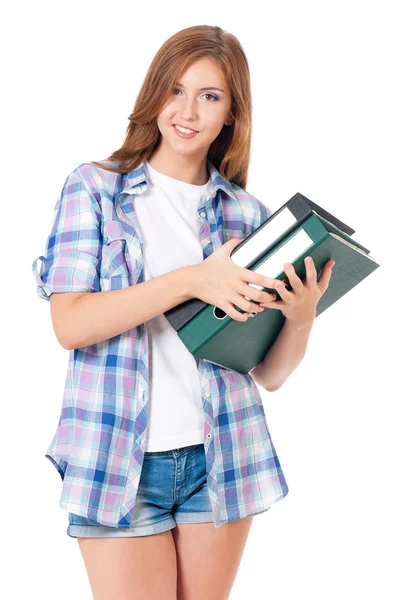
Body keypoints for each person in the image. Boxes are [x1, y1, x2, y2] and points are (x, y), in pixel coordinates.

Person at [31, 24, 334, 600]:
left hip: (222, 456)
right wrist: (193, 280)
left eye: (210, 95)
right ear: (154, 96)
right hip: (119, 459)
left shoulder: (247, 216)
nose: (187, 110)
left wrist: (299, 317)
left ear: (232, 114)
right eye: (175, 89)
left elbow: (267, 374)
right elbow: (70, 325)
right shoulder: (94, 190)